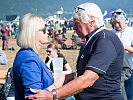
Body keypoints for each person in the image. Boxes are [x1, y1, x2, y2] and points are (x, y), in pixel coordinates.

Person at [25, 2, 124, 100]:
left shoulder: (105, 40)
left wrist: (52, 95)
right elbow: (79, 74)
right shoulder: (90, 40)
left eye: (77, 23)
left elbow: (87, 79)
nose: (74, 27)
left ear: (91, 21)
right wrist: (49, 89)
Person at [13, 13, 65, 100]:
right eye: (44, 29)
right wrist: (57, 85)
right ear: (33, 32)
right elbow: (33, 97)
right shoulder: (29, 60)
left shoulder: (26, 54)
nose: (47, 31)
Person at [111, 9, 133, 100]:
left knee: (130, 95)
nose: (116, 25)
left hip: (130, 70)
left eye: (119, 23)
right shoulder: (111, 33)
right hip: (116, 71)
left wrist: (124, 47)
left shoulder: (131, 32)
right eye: (114, 23)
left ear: (125, 21)